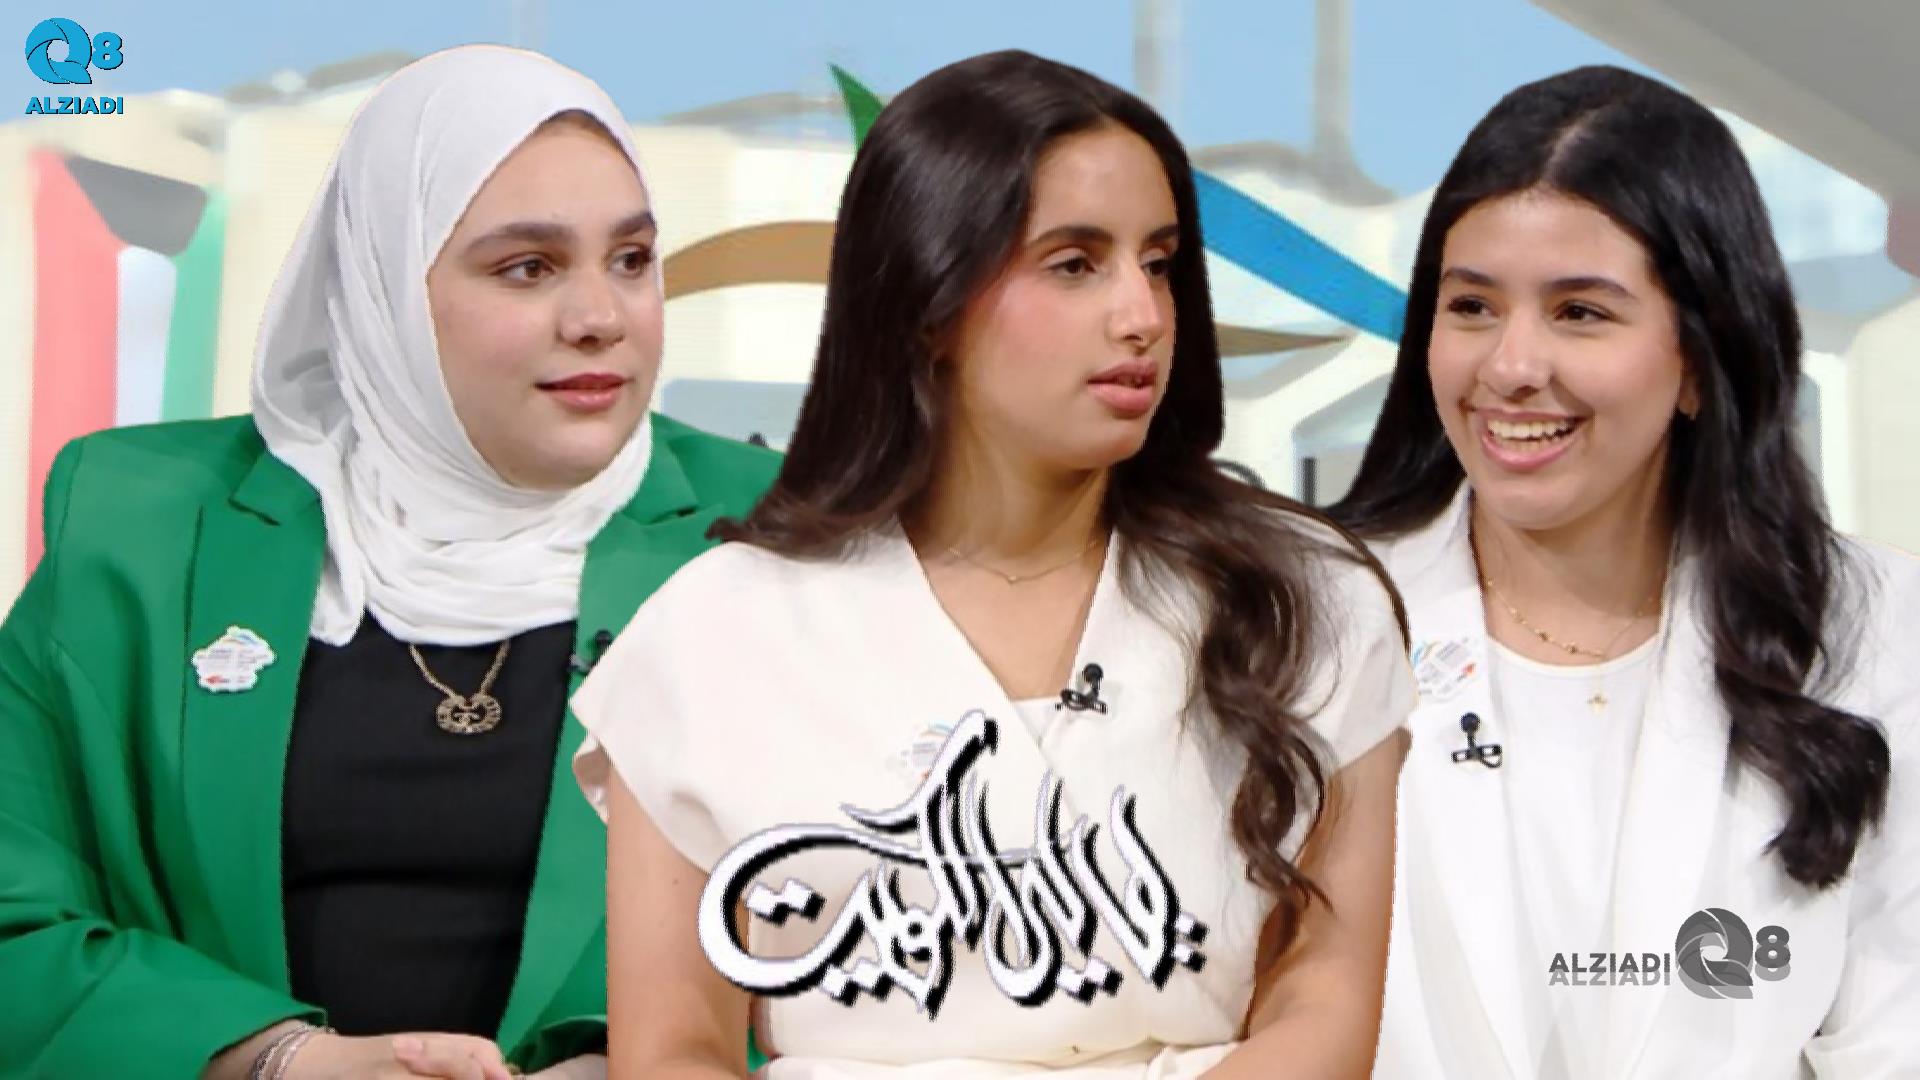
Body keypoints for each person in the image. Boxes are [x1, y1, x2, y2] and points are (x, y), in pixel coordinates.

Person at [571, 50, 1415, 1078]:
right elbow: (674, 1051)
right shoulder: (713, 633)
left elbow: (1323, 1009)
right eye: (1075, 263)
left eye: (1157, 262)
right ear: (930, 302)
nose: (1143, 315)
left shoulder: (1307, 599)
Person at [0, 45, 778, 1080]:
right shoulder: (138, 524)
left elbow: (894, 934)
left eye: (631, 259)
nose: (600, 317)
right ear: (382, 290)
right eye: (528, 267)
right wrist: (280, 1062)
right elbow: (14, 925)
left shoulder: (775, 534)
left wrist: (643, 1066)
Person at [1330, 66, 1920, 1079]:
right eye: (1471, 306)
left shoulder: (1878, 628)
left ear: (1699, 357)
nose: (1511, 366)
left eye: (1580, 313)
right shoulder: (1314, 615)